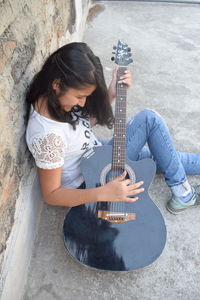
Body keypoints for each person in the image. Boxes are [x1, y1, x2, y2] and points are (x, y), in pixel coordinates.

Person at [26, 42, 200, 215]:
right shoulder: (48, 136)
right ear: (56, 83)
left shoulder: (51, 99)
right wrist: (104, 192)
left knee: (162, 156)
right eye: (80, 96)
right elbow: (51, 195)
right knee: (149, 119)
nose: (83, 103)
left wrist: (112, 93)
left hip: (94, 153)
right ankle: (183, 193)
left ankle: (184, 188)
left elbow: (79, 127)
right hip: (93, 179)